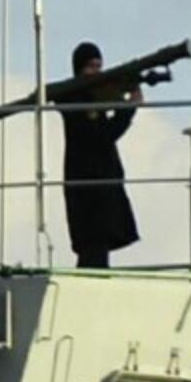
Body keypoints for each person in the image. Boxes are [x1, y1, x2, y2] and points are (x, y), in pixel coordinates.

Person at [59, 42, 142, 268]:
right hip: (90, 186)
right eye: (91, 67)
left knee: (97, 249)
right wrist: (127, 110)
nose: (96, 72)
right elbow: (102, 135)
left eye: (99, 66)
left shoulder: (87, 99)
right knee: (93, 249)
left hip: (98, 184)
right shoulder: (75, 100)